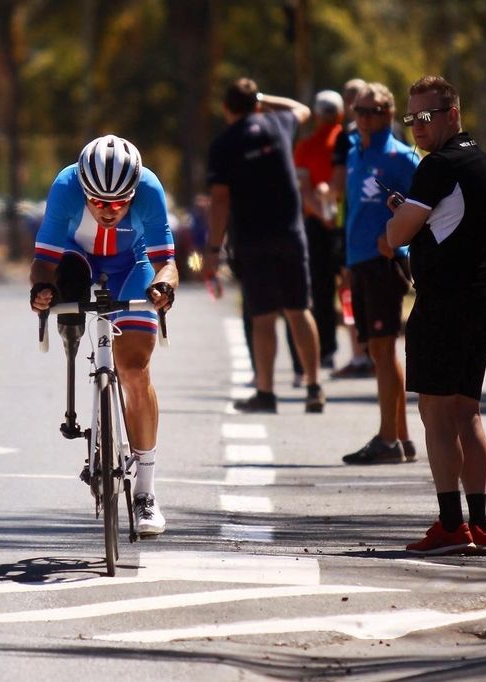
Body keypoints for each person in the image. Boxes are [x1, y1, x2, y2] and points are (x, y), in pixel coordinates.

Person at [29, 134, 179, 536]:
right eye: (97, 202)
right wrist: (42, 293)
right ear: (83, 190)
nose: (108, 211)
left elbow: (167, 263)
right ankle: (76, 349)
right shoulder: (65, 187)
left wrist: (163, 288)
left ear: (134, 191)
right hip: (79, 261)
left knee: (134, 368)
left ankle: (145, 493)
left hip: (133, 264)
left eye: (118, 203)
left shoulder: (148, 188)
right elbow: (44, 261)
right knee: (69, 294)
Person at [386, 76, 486, 555]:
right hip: (485, 300)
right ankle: (480, 524)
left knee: (435, 412)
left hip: (445, 303)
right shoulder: (480, 161)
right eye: (411, 118)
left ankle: (450, 525)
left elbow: (396, 234)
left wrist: (400, 219)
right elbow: (446, 223)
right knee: (466, 411)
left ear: (452, 114)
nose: (418, 127)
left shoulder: (437, 166)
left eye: (427, 116)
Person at [204, 77, 325, 414]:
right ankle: (314, 387)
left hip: (253, 240)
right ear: (255, 105)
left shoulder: (224, 144)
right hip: (291, 233)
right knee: (299, 311)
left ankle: (266, 393)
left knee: (263, 318)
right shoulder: (279, 122)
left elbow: (219, 200)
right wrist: (264, 98)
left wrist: (213, 251)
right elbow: (302, 110)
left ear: (227, 108)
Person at [340, 82, 419, 465]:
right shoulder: (355, 152)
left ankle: (388, 438)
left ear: (388, 114)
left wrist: (399, 246)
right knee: (378, 351)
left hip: (384, 263)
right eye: (359, 110)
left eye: (371, 111)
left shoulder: (401, 157)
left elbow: (425, 208)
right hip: (358, 260)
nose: (363, 117)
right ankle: (400, 437)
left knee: (385, 350)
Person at [293, 89, 344, 372]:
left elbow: (304, 189)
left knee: (323, 288)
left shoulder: (326, 143)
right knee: (326, 288)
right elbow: (304, 187)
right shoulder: (314, 145)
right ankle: (328, 348)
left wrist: (320, 212)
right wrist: (324, 213)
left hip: (324, 221)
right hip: (330, 221)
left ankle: (328, 347)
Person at [330, 78, 375, 379]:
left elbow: (337, 185)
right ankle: (367, 351)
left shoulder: (346, 138)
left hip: (352, 222)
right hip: (375, 222)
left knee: (349, 289)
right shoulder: (390, 132)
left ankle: (361, 354)